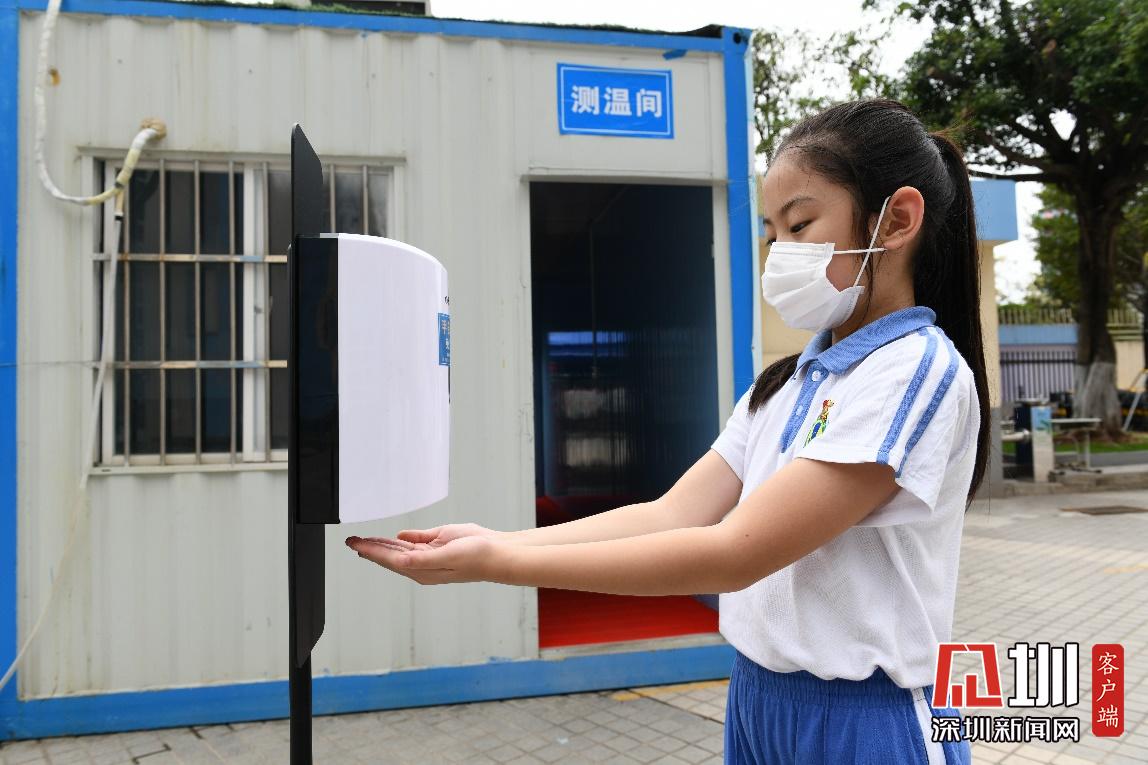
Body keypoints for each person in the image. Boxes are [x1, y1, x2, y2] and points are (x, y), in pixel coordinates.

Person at [346, 98, 986, 765]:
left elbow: (735, 552)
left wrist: (495, 565)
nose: (778, 254)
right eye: (772, 233)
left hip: (866, 719)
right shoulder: (785, 383)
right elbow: (672, 513)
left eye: (800, 225)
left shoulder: (913, 371)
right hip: (759, 695)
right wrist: (498, 540)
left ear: (897, 220)